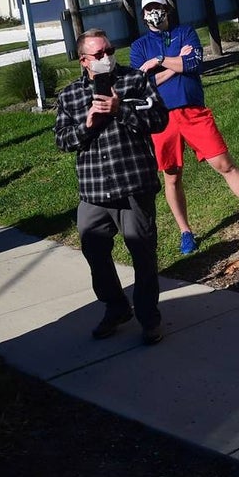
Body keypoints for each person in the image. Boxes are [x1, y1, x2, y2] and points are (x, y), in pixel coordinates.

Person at [129, 0, 239, 255]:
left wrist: (157, 62)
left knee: (224, 163)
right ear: (143, 15)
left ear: (167, 8)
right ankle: (186, 232)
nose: (154, 12)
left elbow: (194, 63)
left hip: (193, 112)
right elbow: (142, 84)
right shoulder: (139, 47)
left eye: (158, 6)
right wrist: (175, 65)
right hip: (161, 119)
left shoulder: (185, 33)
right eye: (148, 9)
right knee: (172, 176)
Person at [55, 29, 170, 344]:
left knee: (143, 254)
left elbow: (160, 120)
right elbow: (62, 140)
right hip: (94, 191)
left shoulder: (135, 81)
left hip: (133, 184)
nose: (107, 57)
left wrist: (122, 110)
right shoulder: (69, 96)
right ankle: (116, 307)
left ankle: (149, 319)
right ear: (84, 61)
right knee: (94, 251)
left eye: (110, 50)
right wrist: (86, 126)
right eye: (99, 54)